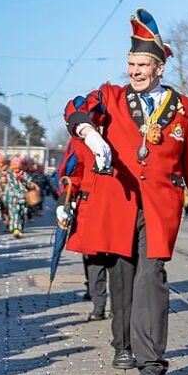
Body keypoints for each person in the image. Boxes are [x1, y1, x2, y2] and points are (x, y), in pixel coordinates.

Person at [63, 9, 188, 375]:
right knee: (123, 275)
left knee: (152, 277)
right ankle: (123, 343)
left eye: (142, 65)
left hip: (159, 207)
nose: (134, 71)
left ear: (160, 67)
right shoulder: (111, 96)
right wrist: (89, 131)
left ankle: (152, 363)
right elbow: (75, 106)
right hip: (118, 203)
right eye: (131, 64)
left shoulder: (187, 110)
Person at [57, 138, 109, 321]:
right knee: (93, 258)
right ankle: (98, 303)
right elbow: (71, 175)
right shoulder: (80, 141)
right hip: (90, 206)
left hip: (116, 206)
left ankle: (119, 307)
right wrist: (64, 201)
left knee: (120, 261)